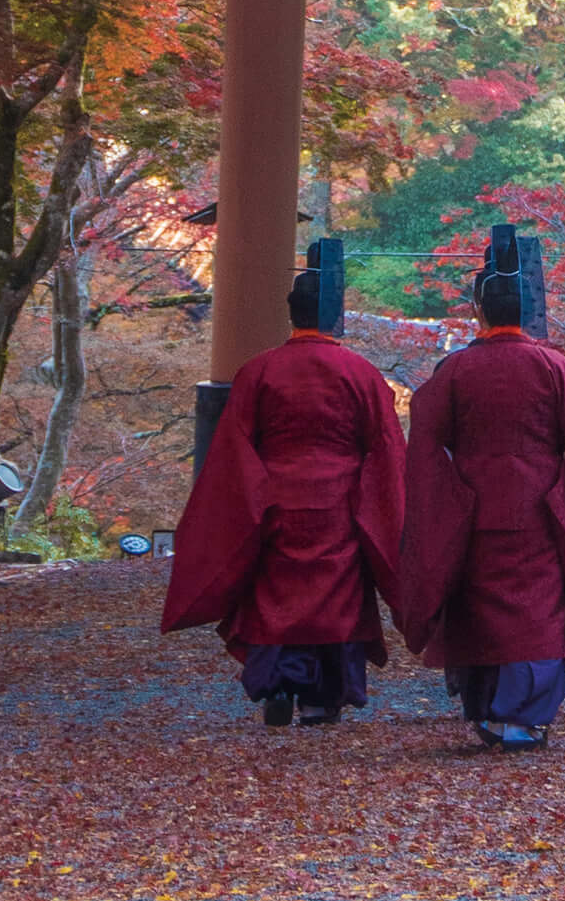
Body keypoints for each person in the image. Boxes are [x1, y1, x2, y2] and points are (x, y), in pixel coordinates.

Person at [396, 225, 565, 751]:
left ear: (478, 310)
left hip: (472, 502)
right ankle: (523, 719)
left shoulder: (456, 370)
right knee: (537, 609)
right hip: (539, 502)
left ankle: (486, 707)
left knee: (479, 605)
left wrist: (438, 499)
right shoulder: (555, 368)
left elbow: (425, 436)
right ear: (523, 311)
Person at [160, 250, 406, 727]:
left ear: (291, 315)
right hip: (340, 500)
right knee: (336, 596)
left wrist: (241, 504)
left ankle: (278, 683)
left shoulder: (259, 371)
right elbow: (386, 447)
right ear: (334, 316)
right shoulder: (360, 373)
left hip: (276, 494)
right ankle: (321, 698)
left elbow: (233, 447)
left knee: (277, 591)